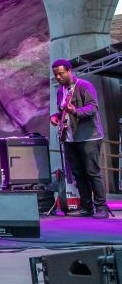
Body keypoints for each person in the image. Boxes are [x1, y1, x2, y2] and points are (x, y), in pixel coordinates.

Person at [51, 60, 108, 219]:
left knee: (92, 172)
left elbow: (92, 108)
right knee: (78, 174)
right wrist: (56, 117)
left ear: (70, 71)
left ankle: (101, 207)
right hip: (70, 138)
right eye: (55, 74)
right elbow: (62, 112)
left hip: (88, 137)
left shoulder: (84, 86)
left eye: (61, 73)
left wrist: (75, 111)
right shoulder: (60, 91)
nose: (58, 77)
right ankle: (86, 207)